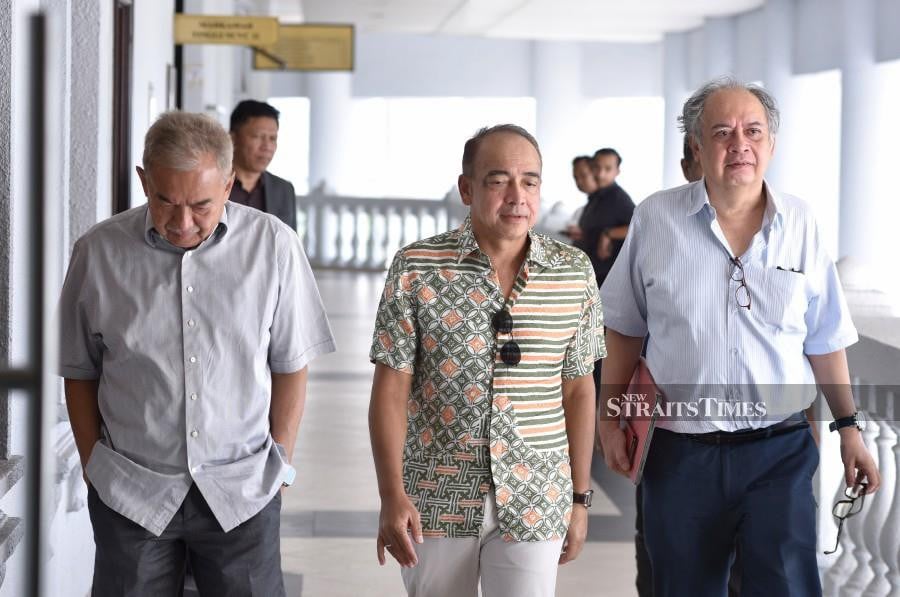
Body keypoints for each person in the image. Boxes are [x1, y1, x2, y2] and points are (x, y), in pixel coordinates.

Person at [598, 77, 880, 597]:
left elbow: (824, 339)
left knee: (788, 587)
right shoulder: (656, 218)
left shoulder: (800, 222)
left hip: (780, 450)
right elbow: (624, 328)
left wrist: (850, 430)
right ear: (697, 147)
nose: (739, 144)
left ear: (771, 144)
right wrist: (610, 418)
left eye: (753, 131)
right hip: (680, 454)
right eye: (722, 132)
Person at [58, 111, 336, 595]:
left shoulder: (274, 246)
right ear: (143, 180)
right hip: (131, 492)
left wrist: (281, 462)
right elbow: (80, 371)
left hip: (243, 491)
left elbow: (291, 364)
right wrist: (93, 468)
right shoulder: (98, 252)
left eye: (201, 205)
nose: (182, 222)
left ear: (229, 185)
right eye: (165, 200)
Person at [368, 124, 604, 597]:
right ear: (466, 188)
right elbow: (390, 390)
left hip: (536, 493)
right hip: (435, 495)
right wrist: (391, 494)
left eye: (530, 181)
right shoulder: (417, 266)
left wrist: (580, 500)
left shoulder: (573, 271)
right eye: (498, 181)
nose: (518, 195)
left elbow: (579, 388)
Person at [229, 99, 297, 229]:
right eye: (258, 136)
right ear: (233, 138)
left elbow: (291, 244)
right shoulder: (214, 184)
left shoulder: (284, 190)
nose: (267, 146)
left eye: (273, 138)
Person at [563, 156, 599, 243]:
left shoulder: (612, 200)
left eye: (583, 175)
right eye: (576, 178)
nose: (578, 182)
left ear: (596, 172)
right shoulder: (588, 204)